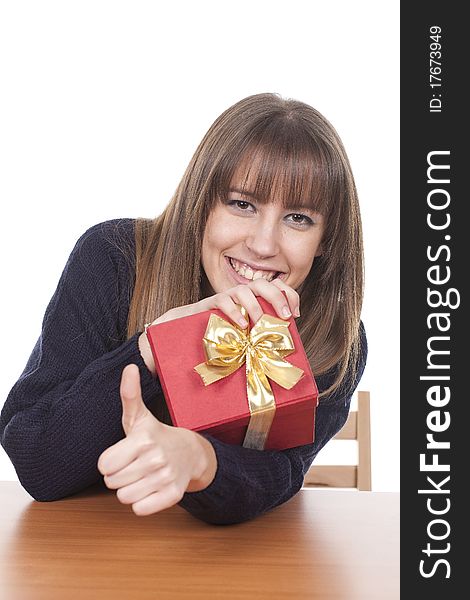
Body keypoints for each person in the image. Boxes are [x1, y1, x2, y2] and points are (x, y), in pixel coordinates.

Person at [0, 93, 367, 525]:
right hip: (85, 552)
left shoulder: (334, 337)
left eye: (298, 218)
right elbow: (37, 461)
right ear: (202, 203)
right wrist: (155, 349)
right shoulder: (115, 259)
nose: (264, 245)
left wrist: (199, 460)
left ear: (326, 240)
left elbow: (281, 473)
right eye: (242, 204)